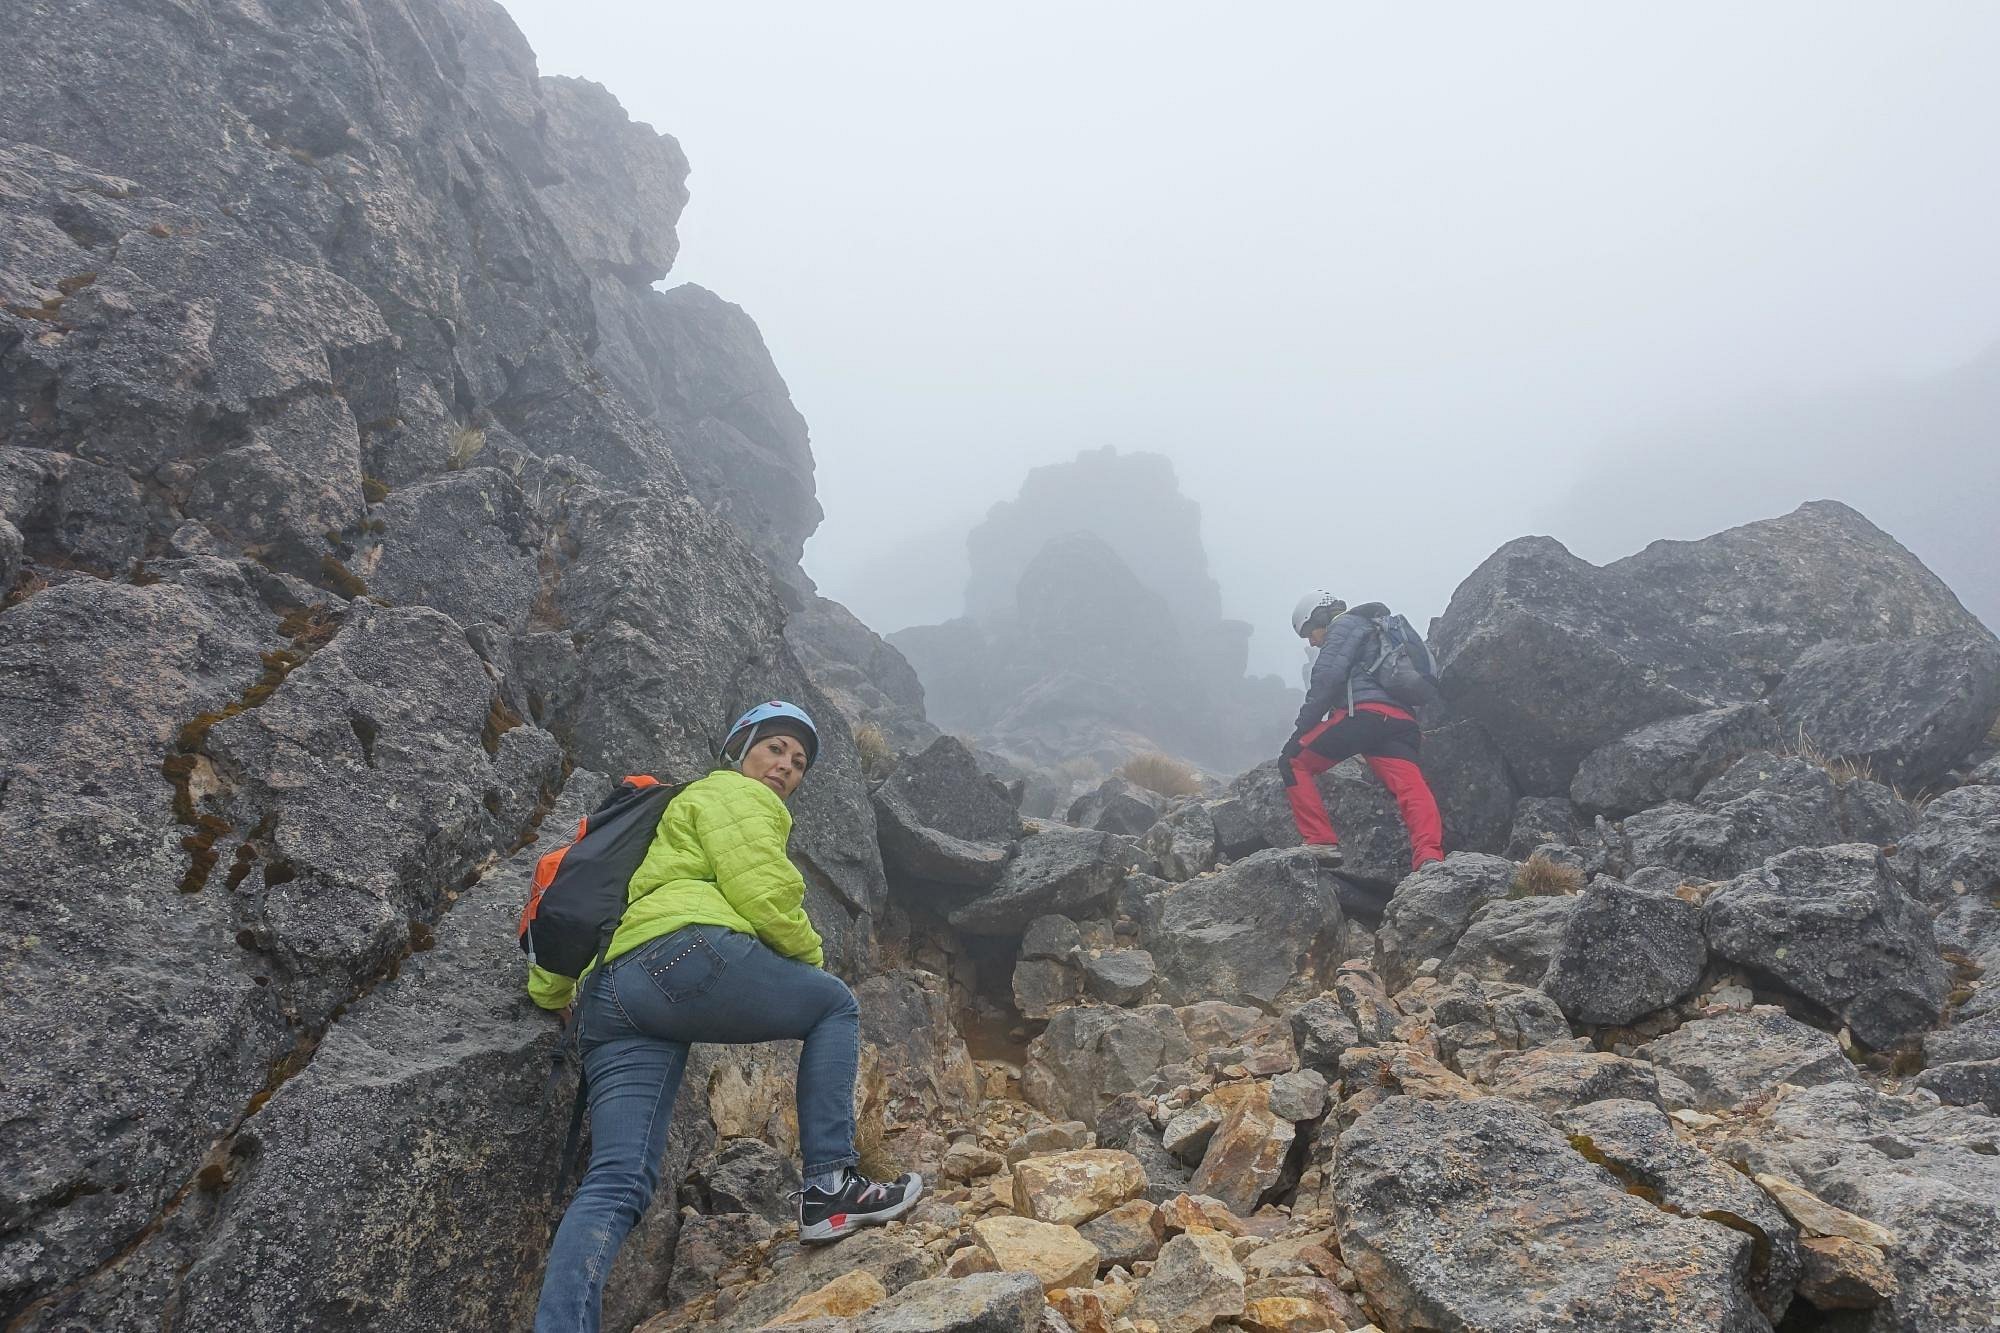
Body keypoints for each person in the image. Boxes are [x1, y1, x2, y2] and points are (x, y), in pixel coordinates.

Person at [530, 701, 921, 1333]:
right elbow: (763, 890)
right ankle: (829, 1188)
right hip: (677, 957)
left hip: (608, 996)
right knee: (832, 1005)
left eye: (798, 763)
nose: (786, 768)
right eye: (775, 749)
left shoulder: (670, 815)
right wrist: (815, 964)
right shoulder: (734, 793)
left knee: (617, 1182)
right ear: (741, 748)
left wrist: (552, 994)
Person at [1283, 592, 1445, 870]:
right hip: (1401, 721)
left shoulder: (1343, 626)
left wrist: (1301, 729)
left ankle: (1320, 839)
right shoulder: (1373, 628)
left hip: (1364, 715)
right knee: (1411, 788)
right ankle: (1429, 855)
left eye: (1311, 631)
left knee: (1292, 761)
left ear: (1322, 615)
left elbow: (1327, 678)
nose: (1311, 641)